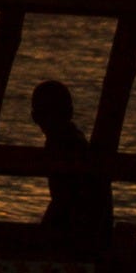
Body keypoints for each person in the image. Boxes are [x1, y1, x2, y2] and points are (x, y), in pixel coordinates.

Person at [27, 79, 118, 238]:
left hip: (81, 235)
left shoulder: (67, 145)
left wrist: (41, 235)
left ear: (35, 117)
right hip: (89, 232)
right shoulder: (73, 140)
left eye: (53, 113)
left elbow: (64, 202)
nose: (50, 120)